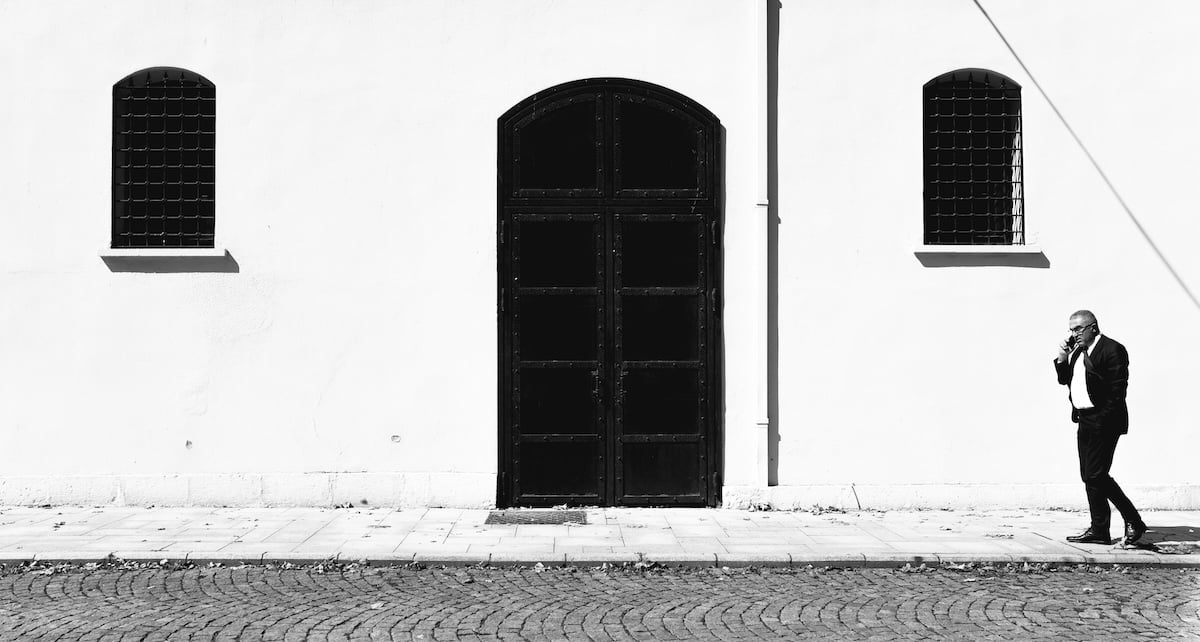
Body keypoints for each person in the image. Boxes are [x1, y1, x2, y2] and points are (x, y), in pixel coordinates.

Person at [1053, 310, 1146, 546]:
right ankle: (1099, 530)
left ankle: (1133, 520)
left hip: (1105, 421)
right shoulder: (1077, 353)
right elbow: (1065, 380)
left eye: (1078, 329)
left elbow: (1117, 392)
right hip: (1084, 419)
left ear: (1093, 327)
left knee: (1096, 474)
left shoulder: (1112, 349)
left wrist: (1101, 421)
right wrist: (1062, 357)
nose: (1074, 334)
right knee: (1089, 476)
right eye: (1071, 329)